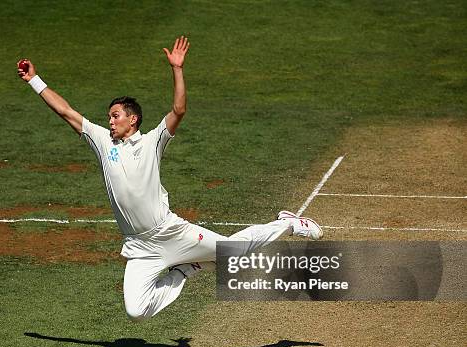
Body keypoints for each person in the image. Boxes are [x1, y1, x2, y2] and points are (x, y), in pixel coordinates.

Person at [17, 36, 323, 321]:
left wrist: (177, 70)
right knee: (136, 311)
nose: (109, 121)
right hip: (139, 247)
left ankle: (288, 223)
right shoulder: (101, 141)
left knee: (232, 253)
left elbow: (179, 109)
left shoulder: (153, 141)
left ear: (132, 119)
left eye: (115, 116)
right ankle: (185, 270)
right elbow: (66, 112)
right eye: (109, 117)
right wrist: (34, 80)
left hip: (169, 231)